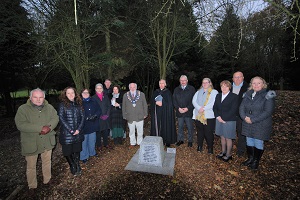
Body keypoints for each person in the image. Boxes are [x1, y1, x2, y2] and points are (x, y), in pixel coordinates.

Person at [15, 88, 59, 194]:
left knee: (47, 161)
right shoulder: (23, 109)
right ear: (30, 97)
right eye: (35, 97)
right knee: (31, 166)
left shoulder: (49, 107)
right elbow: (20, 124)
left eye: (41, 97)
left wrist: (49, 127)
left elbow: (55, 118)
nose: (38, 100)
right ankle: (32, 185)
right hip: (31, 142)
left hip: (47, 140)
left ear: (44, 97)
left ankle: (47, 180)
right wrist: (39, 128)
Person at [239, 76, 276, 170]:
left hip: (261, 123)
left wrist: (253, 120)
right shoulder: (247, 94)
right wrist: (244, 117)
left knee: (258, 142)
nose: (256, 85)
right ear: (251, 84)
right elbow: (241, 107)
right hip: (247, 122)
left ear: (263, 84)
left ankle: (256, 161)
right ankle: (250, 159)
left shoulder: (268, 95)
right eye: (254, 83)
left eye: (258, 83)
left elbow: (268, 111)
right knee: (249, 141)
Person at [58, 87, 85, 176]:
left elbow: (83, 117)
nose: (70, 94)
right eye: (68, 93)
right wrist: (70, 130)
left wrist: (78, 129)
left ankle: (77, 163)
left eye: (72, 92)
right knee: (67, 152)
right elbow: (61, 118)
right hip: (67, 133)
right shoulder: (62, 105)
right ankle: (72, 165)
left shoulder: (79, 104)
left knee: (77, 149)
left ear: (75, 93)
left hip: (78, 132)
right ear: (65, 94)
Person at [213, 81, 239, 161]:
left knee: (228, 137)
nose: (224, 88)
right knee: (222, 136)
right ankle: (223, 152)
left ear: (229, 87)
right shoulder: (218, 95)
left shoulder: (234, 96)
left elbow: (233, 109)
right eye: (222, 86)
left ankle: (228, 155)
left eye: (226, 86)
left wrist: (224, 119)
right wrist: (218, 117)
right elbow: (215, 107)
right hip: (219, 119)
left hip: (229, 120)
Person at [192, 78, 218, 153]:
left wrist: (204, 108)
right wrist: (199, 108)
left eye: (206, 82)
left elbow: (213, 102)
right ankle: (199, 146)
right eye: (203, 82)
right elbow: (194, 101)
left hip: (209, 116)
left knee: (208, 132)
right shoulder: (198, 92)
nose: (204, 84)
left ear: (210, 83)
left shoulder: (214, 92)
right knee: (200, 131)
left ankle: (210, 147)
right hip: (198, 115)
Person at [150, 79, 177, 147]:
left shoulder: (168, 92)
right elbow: (152, 102)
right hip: (157, 113)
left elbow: (170, 104)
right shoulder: (156, 92)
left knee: (166, 125)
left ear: (165, 84)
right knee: (157, 126)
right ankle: (157, 139)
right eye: (160, 83)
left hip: (166, 113)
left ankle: (167, 141)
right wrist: (155, 103)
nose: (161, 85)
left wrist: (163, 103)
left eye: (162, 83)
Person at [122, 83, 148, 148]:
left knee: (140, 131)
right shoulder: (125, 95)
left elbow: (145, 104)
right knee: (131, 131)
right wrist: (124, 115)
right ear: (129, 88)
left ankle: (140, 142)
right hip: (130, 116)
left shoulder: (141, 94)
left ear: (136, 87)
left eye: (134, 87)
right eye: (131, 87)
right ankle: (132, 143)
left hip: (140, 116)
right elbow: (123, 106)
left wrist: (145, 113)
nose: (132, 88)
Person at [173, 75, 196, 147]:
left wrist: (188, 108)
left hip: (188, 112)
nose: (183, 82)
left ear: (187, 81)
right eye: (181, 80)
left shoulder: (191, 89)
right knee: (180, 127)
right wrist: (178, 108)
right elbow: (174, 100)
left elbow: (194, 101)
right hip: (179, 112)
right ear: (179, 81)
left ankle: (190, 141)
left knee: (190, 127)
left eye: (184, 80)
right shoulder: (176, 89)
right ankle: (180, 140)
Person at [80, 88, 102, 164]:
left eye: (87, 93)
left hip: (93, 124)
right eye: (84, 93)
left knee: (92, 140)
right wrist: (85, 117)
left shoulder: (93, 101)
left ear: (89, 93)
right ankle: (83, 156)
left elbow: (99, 110)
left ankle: (92, 152)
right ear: (81, 94)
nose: (85, 94)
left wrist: (95, 116)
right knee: (84, 141)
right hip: (84, 125)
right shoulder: (79, 103)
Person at [231, 71, 248, 156]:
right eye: (235, 77)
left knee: (241, 132)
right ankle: (230, 147)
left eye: (239, 77)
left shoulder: (248, 88)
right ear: (232, 79)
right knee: (230, 131)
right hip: (230, 114)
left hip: (242, 115)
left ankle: (241, 150)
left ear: (243, 77)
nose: (237, 79)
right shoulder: (228, 87)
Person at [93, 83, 113, 150]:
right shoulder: (93, 98)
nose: (99, 89)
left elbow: (109, 106)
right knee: (98, 132)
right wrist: (100, 115)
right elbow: (93, 108)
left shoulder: (106, 96)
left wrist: (107, 114)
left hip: (106, 117)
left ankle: (106, 144)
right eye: (97, 88)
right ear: (95, 89)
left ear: (102, 89)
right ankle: (99, 145)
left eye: (100, 88)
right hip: (98, 118)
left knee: (105, 131)